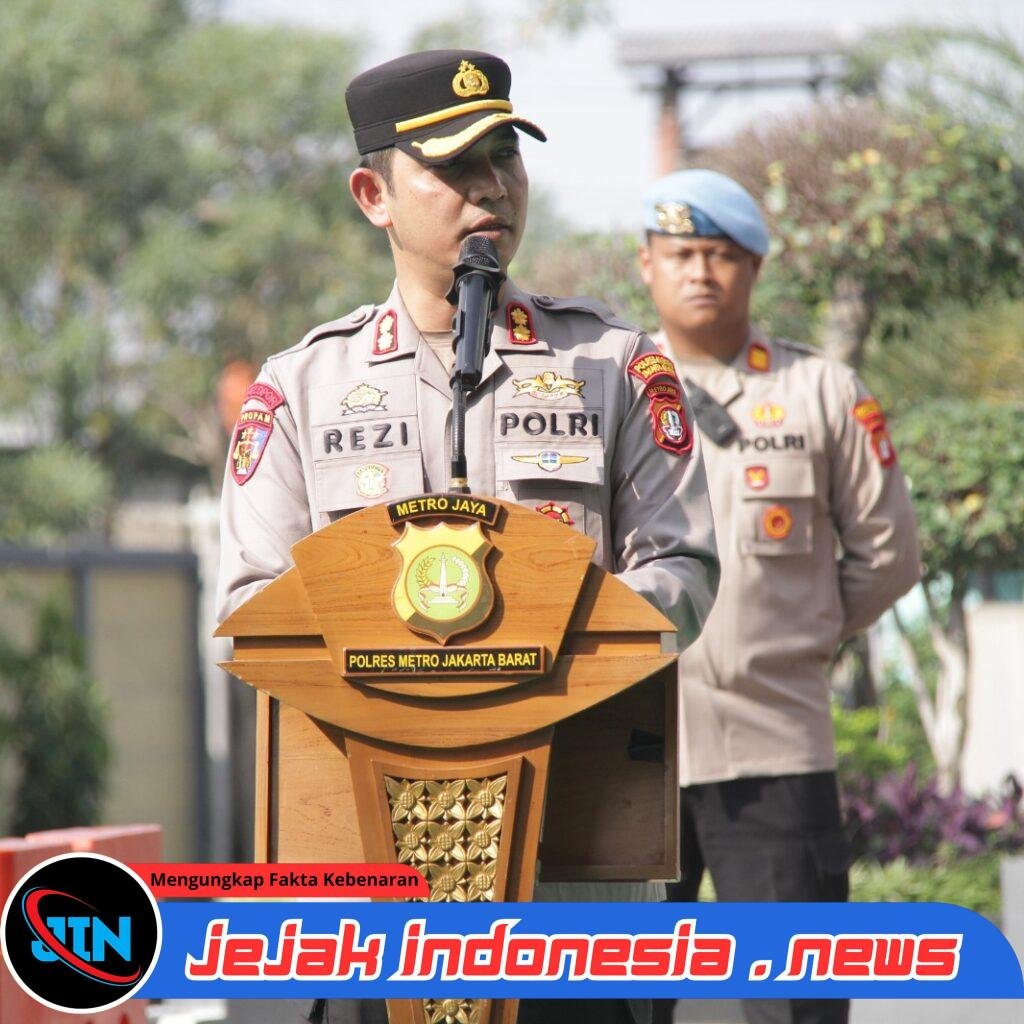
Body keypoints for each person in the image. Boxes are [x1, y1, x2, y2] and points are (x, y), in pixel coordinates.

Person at [216, 50, 721, 1024]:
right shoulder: (302, 388)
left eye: (505, 157)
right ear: (373, 195)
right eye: (453, 166)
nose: (491, 186)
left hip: (573, 890)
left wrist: (545, 650)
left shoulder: (613, 365)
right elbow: (249, 610)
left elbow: (683, 567)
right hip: (371, 897)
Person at [638, 169, 921, 1024]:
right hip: (630, 748)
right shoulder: (606, 388)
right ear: (647, 264)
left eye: (722, 254)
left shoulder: (822, 392)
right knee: (614, 1005)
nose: (701, 271)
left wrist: (802, 639)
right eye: (681, 253)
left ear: (755, 267)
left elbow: (889, 555)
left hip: (775, 747)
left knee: (796, 1005)